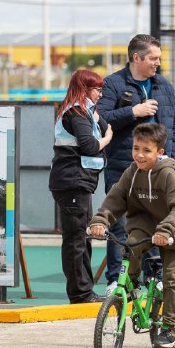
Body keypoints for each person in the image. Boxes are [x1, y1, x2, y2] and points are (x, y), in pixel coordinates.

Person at [88, 123, 175, 348]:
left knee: (171, 280)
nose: (140, 155)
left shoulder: (167, 176)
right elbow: (115, 198)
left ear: (160, 152)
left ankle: (169, 328)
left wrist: (165, 230)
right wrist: (100, 220)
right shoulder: (132, 173)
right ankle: (132, 284)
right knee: (131, 245)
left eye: (147, 150)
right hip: (146, 226)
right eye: (136, 148)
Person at [98, 34, 175, 294]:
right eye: (153, 58)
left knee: (156, 222)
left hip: (159, 169)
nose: (158, 63)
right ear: (137, 57)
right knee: (120, 224)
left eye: (159, 58)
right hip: (122, 167)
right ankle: (117, 280)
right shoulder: (113, 83)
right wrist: (133, 111)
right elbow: (101, 119)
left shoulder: (163, 85)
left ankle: (153, 277)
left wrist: (172, 158)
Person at [49, 68, 113, 304]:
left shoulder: (84, 111)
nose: (100, 94)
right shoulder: (76, 113)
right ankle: (80, 293)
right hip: (72, 182)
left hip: (78, 182)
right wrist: (106, 140)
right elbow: (90, 145)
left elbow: (104, 127)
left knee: (82, 238)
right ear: (84, 89)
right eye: (97, 90)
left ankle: (84, 291)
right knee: (76, 239)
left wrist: (96, 116)